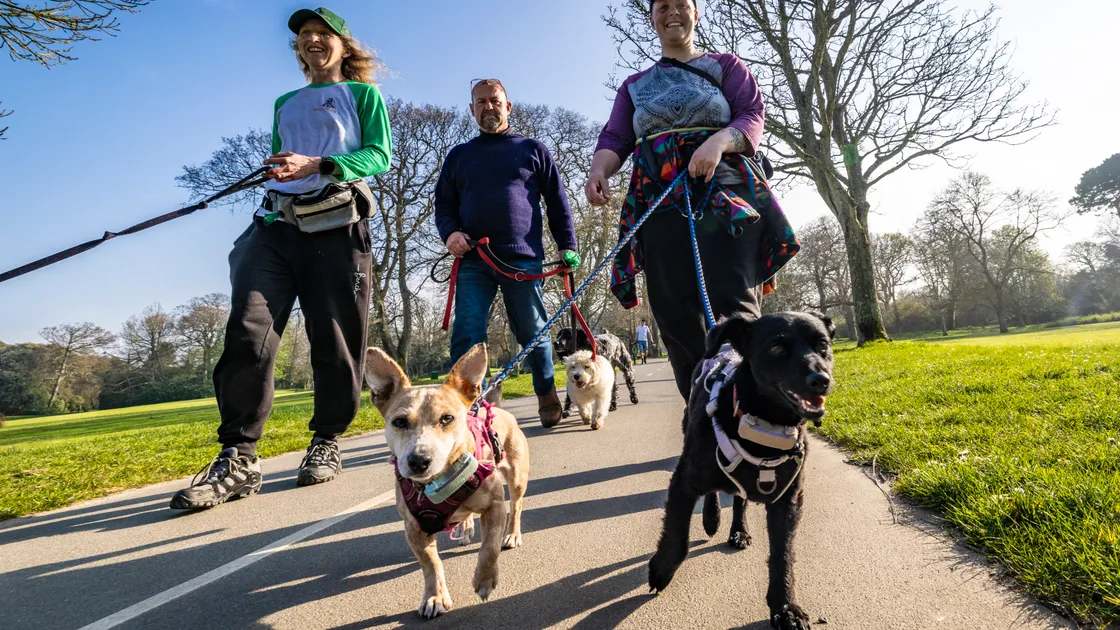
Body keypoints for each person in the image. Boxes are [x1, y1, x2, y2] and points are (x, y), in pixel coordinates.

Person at [171, 7, 392, 510]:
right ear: (297, 50)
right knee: (248, 328)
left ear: (343, 45)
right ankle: (238, 457)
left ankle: (327, 440)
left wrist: (319, 164)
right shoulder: (285, 102)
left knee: (335, 338)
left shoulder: (362, 95)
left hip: (336, 228)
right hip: (275, 225)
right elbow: (281, 159)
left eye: (322, 34)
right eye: (304, 36)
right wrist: (281, 169)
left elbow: (380, 155)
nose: (312, 40)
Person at [586, 0, 799, 400]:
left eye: (681, 5)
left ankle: (752, 413)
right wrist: (599, 171)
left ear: (695, 13)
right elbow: (615, 138)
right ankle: (701, 416)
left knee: (736, 310)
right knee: (675, 315)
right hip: (658, 203)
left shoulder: (727, 67)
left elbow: (751, 115)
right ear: (652, 18)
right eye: (662, 6)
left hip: (725, 195)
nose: (672, 13)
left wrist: (718, 142)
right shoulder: (634, 85)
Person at [435, 78, 578, 428]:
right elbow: (444, 205)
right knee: (467, 335)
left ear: (508, 106)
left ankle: (546, 394)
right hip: (472, 260)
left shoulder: (532, 149)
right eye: (481, 102)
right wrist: (450, 233)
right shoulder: (459, 156)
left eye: (495, 101)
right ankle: (468, 407)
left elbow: (557, 202)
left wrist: (568, 245)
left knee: (534, 331)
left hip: (523, 259)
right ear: (472, 110)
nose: (489, 107)